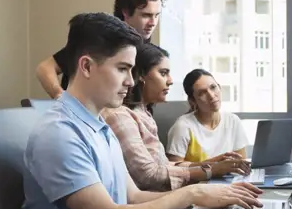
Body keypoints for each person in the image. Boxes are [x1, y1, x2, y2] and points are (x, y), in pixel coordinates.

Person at [21, 13, 262, 209]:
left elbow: (132, 197)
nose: (131, 81)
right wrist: (193, 192)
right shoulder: (59, 134)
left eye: (132, 70)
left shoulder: (99, 124)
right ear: (86, 66)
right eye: (122, 69)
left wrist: (206, 195)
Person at [102, 43, 250, 192]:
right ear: (141, 76)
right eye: (163, 73)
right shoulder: (122, 116)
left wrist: (213, 163)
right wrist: (210, 170)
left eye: (213, 87)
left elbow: (166, 166)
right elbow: (149, 175)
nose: (170, 80)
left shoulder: (144, 115)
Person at [35, 0, 165, 99]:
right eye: (146, 15)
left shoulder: (147, 47)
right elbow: (45, 68)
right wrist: (62, 98)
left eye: (157, 15)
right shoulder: (101, 38)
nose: (153, 22)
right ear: (125, 12)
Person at [167, 69, 250, 163]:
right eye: (202, 93)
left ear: (219, 87)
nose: (211, 95)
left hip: (230, 177)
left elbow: (241, 163)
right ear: (192, 101)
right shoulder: (183, 126)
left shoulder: (232, 120)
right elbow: (174, 168)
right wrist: (216, 165)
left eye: (213, 87)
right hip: (198, 178)